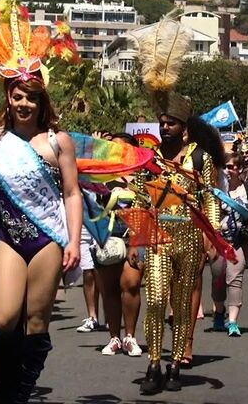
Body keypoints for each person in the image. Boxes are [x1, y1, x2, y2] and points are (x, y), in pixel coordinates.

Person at [0, 1, 83, 404]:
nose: (23, 103)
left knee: (36, 322)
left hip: (47, 240)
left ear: (41, 100)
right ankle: (4, 388)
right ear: (8, 97)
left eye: (30, 96)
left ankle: (16, 396)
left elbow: (72, 194)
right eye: (17, 96)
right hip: (10, 240)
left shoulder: (57, 142)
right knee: (4, 319)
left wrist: (75, 242)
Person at [128, 17, 225, 395]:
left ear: (183, 128)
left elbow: (209, 199)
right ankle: (153, 363)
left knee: (182, 305)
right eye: (161, 122)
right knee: (154, 299)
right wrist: (137, 239)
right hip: (156, 236)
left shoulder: (200, 157)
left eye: (171, 123)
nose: (165, 127)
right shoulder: (147, 159)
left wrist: (211, 238)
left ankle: (174, 366)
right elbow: (138, 197)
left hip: (189, 235)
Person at [93, 131, 143, 357]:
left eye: (120, 148)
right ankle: (114, 337)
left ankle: (130, 337)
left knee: (131, 284)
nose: (115, 152)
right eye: (111, 148)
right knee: (109, 288)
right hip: (109, 236)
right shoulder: (101, 176)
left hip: (135, 235)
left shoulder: (142, 177)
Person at [208, 157, 248, 336]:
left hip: (238, 242)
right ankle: (219, 311)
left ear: (241, 169)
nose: (231, 169)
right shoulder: (216, 190)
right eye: (227, 166)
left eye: (234, 166)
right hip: (218, 242)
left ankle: (232, 321)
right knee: (218, 280)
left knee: (235, 279)